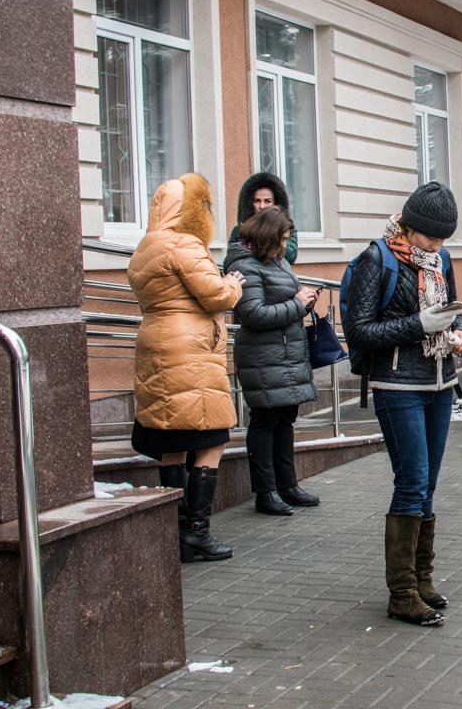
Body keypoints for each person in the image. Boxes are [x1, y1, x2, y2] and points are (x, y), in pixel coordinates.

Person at [344, 182, 462, 626]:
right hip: (397, 385)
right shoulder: (376, 259)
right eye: (429, 237)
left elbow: (456, 313)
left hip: (440, 382)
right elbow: (359, 332)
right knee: (412, 480)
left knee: (429, 483)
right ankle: (401, 594)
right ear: (407, 224)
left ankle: (422, 579)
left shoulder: (442, 259)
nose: (435, 246)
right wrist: (420, 324)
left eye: (441, 239)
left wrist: (461, 336)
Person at [127, 174, 244, 563]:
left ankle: (175, 532)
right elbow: (215, 296)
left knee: (172, 444)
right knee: (212, 439)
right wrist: (233, 283)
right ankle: (196, 532)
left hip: (157, 343)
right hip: (189, 350)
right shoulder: (184, 243)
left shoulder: (147, 246)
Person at [223, 207, 321, 517]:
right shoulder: (245, 267)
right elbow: (253, 314)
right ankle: (266, 492)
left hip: (285, 354)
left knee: (285, 419)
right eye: (281, 239)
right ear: (268, 237)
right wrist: (296, 303)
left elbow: (281, 304)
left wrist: (305, 303)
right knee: (265, 422)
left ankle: (288, 485)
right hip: (262, 356)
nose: (284, 246)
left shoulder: (276, 261)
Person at [227, 172, 300, 264]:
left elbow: (290, 257)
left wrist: (273, 231)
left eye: (267, 201)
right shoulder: (239, 230)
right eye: (257, 201)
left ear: (276, 203)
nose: (261, 206)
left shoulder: (286, 229)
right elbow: (231, 259)